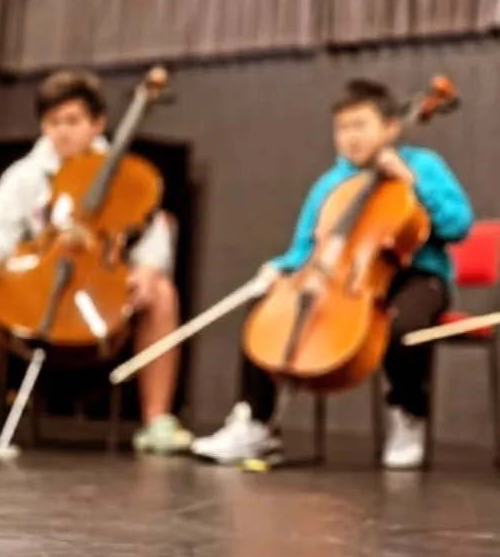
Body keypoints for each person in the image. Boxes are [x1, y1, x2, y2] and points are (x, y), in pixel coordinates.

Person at [192, 78, 473, 470]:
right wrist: (280, 268)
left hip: (417, 275)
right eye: (342, 128)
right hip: (345, 278)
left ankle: (407, 413)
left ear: (391, 127)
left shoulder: (423, 165)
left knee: (404, 325)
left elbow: (458, 224)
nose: (350, 137)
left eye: (360, 125)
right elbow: (305, 248)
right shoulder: (330, 183)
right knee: (265, 308)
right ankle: (255, 422)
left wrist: (412, 182)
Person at [0, 71, 191, 454]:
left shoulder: (126, 176)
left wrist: (147, 268)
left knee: (161, 293)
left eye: (73, 121)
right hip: (35, 289)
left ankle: (157, 422)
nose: (62, 132)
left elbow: (153, 234)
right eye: (53, 123)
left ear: (97, 124)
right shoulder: (24, 176)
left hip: (101, 295)